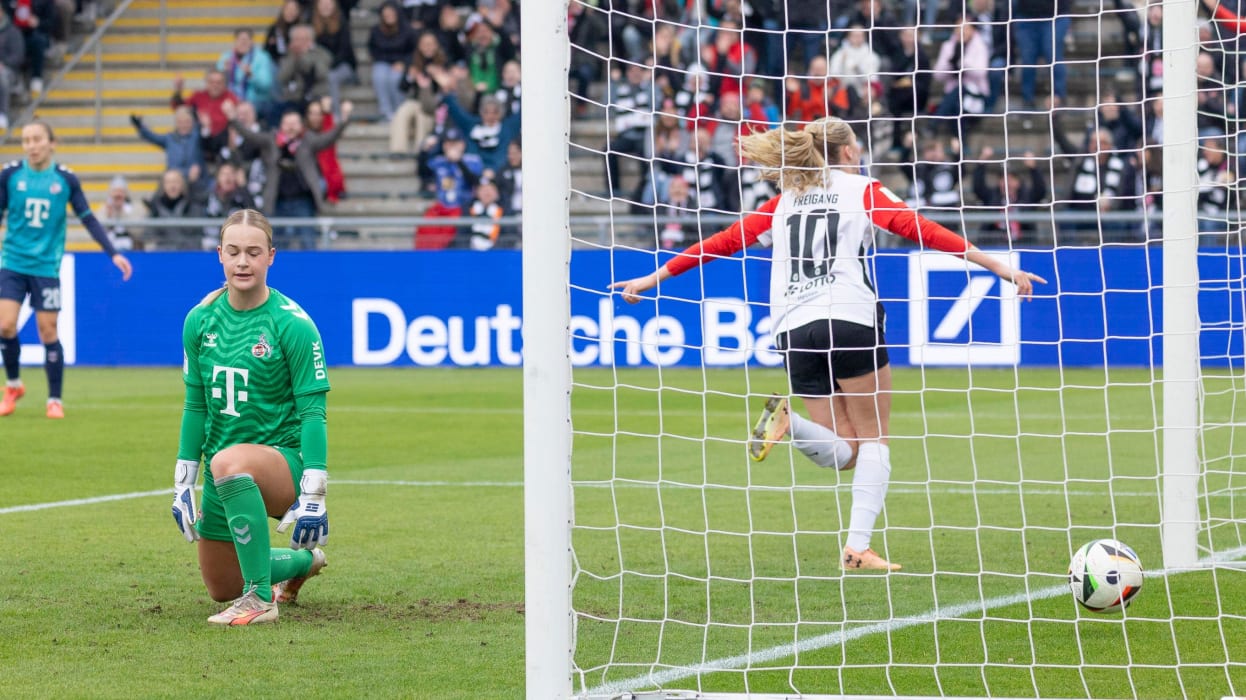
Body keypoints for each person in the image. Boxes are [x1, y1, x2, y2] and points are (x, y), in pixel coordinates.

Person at [611, 118, 1044, 571]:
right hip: (850, 318)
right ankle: (858, 548)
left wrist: (652, 277)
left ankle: (790, 424)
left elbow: (720, 243)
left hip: (794, 330)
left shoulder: (782, 202)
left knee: (845, 452)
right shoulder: (863, 190)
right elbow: (925, 231)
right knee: (874, 439)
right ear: (848, 152)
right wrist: (1000, 268)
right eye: (856, 146)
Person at [171, 208, 330, 625]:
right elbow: (195, 405)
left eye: (254, 252)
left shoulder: (293, 325)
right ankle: (301, 563)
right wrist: (184, 481)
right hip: (225, 474)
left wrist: (314, 494)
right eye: (234, 251)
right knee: (221, 586)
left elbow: (314, 413)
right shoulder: (198, 320)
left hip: (282, 465)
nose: (243, 262)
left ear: (271, 257)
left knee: (226, 459)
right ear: (219, 255)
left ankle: (261, 600)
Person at [0, 121, 133, 418]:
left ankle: (54, 399)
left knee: (48, 330)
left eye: (37, 139)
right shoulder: (9, 176)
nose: (31, 145)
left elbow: (88, 218)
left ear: (52, 142)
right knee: (5, 325)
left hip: (46, 266)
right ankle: (13, 386)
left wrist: (113, 253)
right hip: (12, 262)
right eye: (26, 140)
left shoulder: (65, 180)